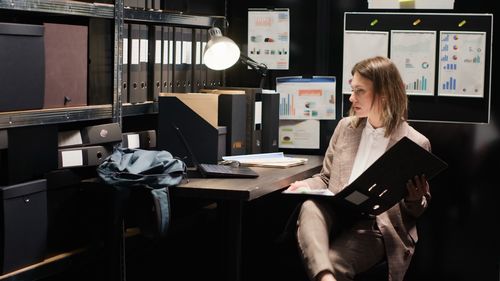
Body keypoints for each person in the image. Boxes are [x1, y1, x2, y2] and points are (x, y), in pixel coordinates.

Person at [286, 56, 431, 281]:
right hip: (337, 211)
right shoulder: (346, 127)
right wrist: (305, 184)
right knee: (309, 206)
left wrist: (415, 199)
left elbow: (416, 210)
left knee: (334, 262)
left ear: (384, 93)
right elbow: (325, 179)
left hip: (376, 226)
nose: (352, 98)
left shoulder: (414, 143)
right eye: (352, 90)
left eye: (360, 91)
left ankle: (325, 275)